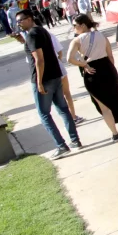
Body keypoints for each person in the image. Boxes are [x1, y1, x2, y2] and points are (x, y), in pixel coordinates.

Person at [14, 9, 82, 159]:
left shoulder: (32, 34)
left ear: (30, 18)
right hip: (56, 75)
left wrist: (39, 82)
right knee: (63, 109)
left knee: (44, 114)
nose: (19, 23)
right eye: (17, 21)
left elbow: (39, 59)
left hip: (44, 80)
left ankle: (61, 145)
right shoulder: (41, 31)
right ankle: (75, 140)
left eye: (21, 20)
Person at [67, 14, 118, 142]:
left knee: (104, 106)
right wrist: (111, 69)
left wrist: (83, 64)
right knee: (115, 99)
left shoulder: (77, 40)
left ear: (82, 25)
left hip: (92, 72)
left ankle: (115, 134)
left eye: (74, 25)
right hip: (107, 68)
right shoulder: (101, 35)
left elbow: (69, 59)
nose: (74, 28)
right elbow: (110, 55)